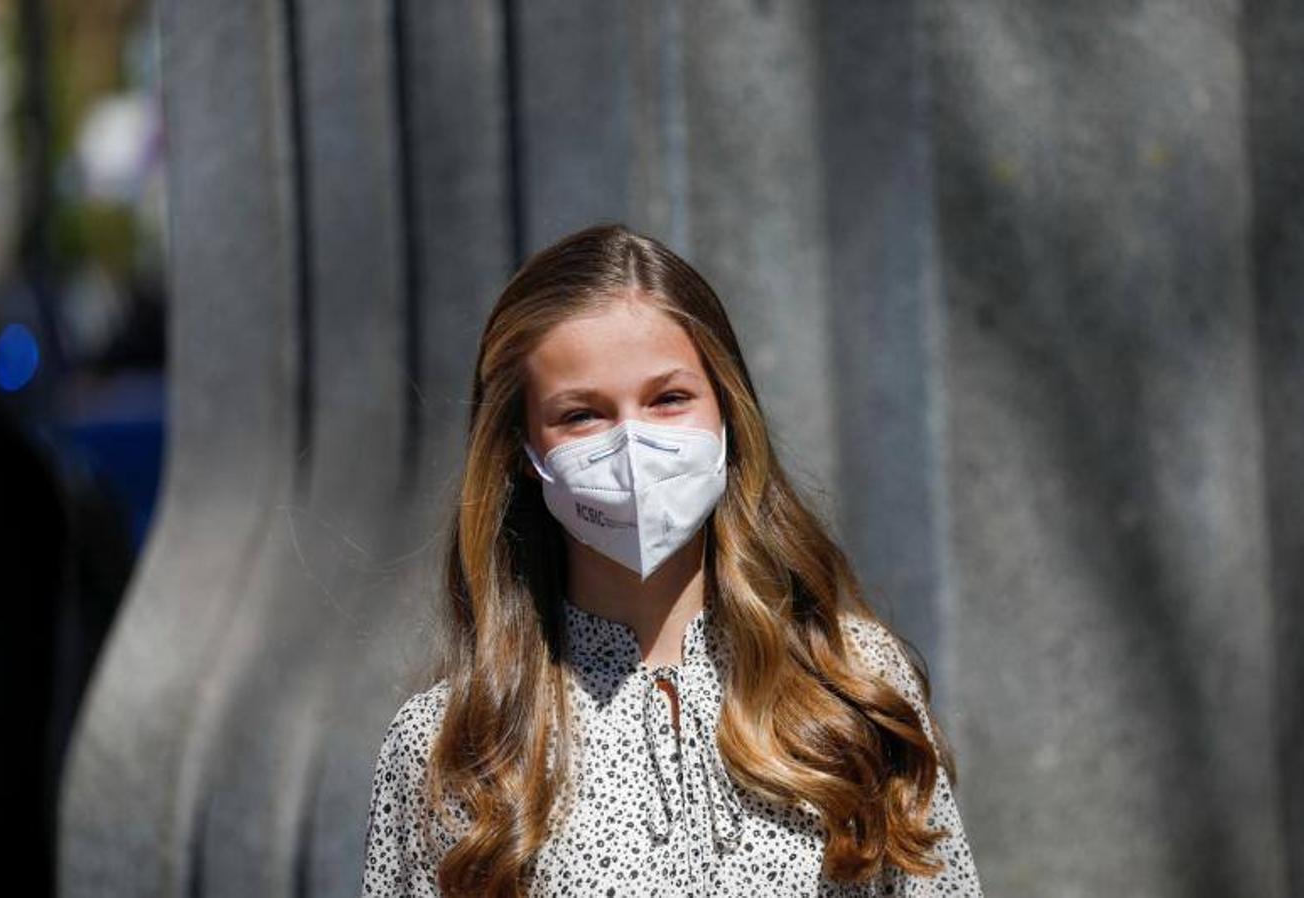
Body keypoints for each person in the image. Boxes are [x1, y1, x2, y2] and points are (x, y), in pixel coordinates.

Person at [361, 223, 983, 897]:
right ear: (522, 450)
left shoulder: (851, 685)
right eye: (581, 415)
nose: (634, 444)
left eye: (668, 399)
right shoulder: (455, 744)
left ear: (727, 410)